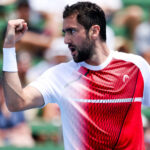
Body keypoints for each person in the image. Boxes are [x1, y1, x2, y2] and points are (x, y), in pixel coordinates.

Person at [2, 2, 150, 150]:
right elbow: (17, 102)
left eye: (72, 31)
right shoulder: (59, 75)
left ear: (94, 31)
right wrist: (9, 46)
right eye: (64, 32)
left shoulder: (136, 67)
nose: (66, 40)